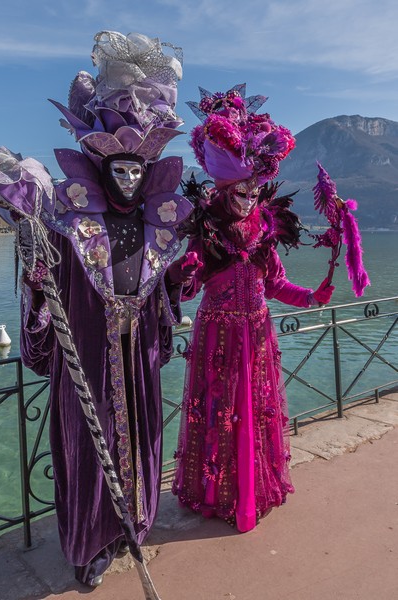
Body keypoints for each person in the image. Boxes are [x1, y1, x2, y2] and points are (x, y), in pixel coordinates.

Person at [18, 31, 197, 587]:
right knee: (87, 448)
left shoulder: (157, 226)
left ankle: (129, 527)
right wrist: (36, 266)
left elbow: (169, 290)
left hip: (135, 355)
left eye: (135, 171)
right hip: (91, 359)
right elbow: (45, 285)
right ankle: (89, 543)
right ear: (100, 170)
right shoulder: (71, 222)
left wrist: (178, 280)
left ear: (148, 173)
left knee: (139, 438)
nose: (127, 179)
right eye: (117, 170)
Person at [172, 86, 334, 533]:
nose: (245, 198)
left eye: (251, 191)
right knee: (221, 412)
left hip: (258, 336)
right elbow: (188, 291)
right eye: (238, 191)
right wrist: (182, 274)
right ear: (222, 190)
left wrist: (311, 297)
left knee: (255, 410)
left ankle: (253, 489)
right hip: (218, 338)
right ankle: (217, 494)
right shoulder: (206, 232)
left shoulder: (264, 234)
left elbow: (277, 284)